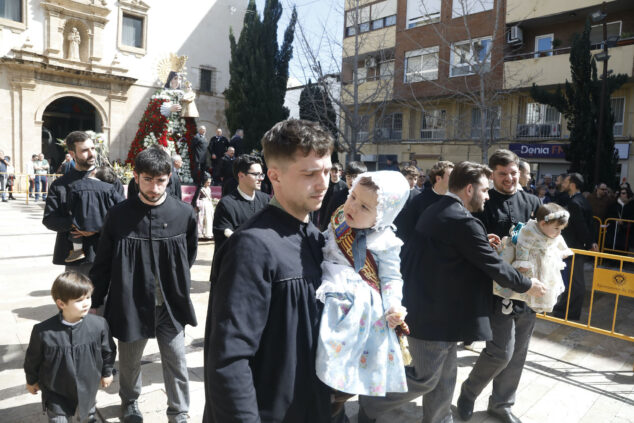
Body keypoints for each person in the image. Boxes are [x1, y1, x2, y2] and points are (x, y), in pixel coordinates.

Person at [358, 161, 545, 423]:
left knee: (445, 378)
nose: (488, 195)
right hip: (431, 313)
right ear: (470, 189)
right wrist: (528, 285)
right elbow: (493, 266)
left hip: (441, 311)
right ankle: (371, 401)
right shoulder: (460, 220)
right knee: (424, 378)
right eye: (485, 189)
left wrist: (481, 242)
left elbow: (458, 253)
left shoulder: (442, 209)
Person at [203, 119, 333, 423]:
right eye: (310, 173)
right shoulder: (252, 246)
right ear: (274, 175)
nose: (323, 183)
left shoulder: (316, 239)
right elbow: (229, 359)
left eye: (326, 171)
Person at [90, 147, 198, 423]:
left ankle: (179, 411)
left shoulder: (184, 214)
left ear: (169, 177)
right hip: (131, 302)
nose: (154, 186)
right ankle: (130, 403)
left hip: (170, 305)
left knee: (176, 359)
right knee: (129, 362)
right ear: (135, 177)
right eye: (148, 179)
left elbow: (189, 256)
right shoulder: (119, 215)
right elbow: (102, 262)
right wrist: (95, 301)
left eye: (160, 180)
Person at [316, 171, 411, 417]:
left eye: (365, 207)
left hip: (357, 302)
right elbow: (326, 243)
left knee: (347, 349)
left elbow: (391, 278)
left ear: (382, 215)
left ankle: (338, 392)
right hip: (326, 282)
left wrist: (394, 307)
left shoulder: (386, 241)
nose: (353, 207)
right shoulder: (339, 217)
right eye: (353, 197)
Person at [458, 149, 542, 423]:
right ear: (492, 174)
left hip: (529, 287)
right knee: (500, 351)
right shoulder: (481, 200)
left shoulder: (532, 201)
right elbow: (472, 239)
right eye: (503, 174)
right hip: (495, 288)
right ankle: (469, 392)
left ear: (520, 171)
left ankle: (502, 404)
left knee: (518, 353)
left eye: (513, 173)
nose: (509, 178)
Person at [24, 271, 116, 423]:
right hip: (56, 392)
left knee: (87, 417)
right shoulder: (43, 331)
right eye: (80, 300)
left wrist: (107, 372)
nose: (86, 303)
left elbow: (108, 351)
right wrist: (31, 380)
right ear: (61, 303)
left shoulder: (99, 325)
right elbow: (32, 359)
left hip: (88, 388)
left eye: (88, 297)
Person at [43, 131, 120, 276]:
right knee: (77, 298)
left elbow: (121, 215)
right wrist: (76, 224)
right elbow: (50, 220)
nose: (91, 154)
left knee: (107, 298)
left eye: (93, 148)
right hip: (76, 259)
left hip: (107, 253)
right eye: (84, 150)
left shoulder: (109, 180)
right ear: (72, 154)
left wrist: (97, 227)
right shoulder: (60, 185)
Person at [493, 203, 573, 313]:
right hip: (531, 264)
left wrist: (563, 250)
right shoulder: (530, 230)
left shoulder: (554, 233)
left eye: (561, 229)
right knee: (522, 285)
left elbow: (559, 239)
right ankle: (508, 301)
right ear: (543, 223)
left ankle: (540, 303)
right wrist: (522, 262)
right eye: (556, 228)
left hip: (546, 263)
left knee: (545, 284)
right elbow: (523, 246)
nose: (559, 232)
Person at [552, 173, 598, 321]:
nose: (563, 184)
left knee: (575, 281)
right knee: (571, 280)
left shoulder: (574, 203)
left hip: (574, 248)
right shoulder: (581, 200)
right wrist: (591, 241)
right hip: (576, 247)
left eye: (565, 181)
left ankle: (570, 312)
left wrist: (590, 242)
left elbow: (581, 226)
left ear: (572, 184)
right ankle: (562, 308)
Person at [210, 154, 269, 255]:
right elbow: (224, 242)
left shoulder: (266, 200)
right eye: (256, 174)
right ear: (241, 175)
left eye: (262, 174)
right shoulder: (226, 205)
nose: (261, 179)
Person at [65, 166, 124, 263]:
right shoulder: (109, 188)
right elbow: (121, 204)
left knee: (74, 234)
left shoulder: (76, 185)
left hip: (81, 224)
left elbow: (70, 205)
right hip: (102, 225)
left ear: (94, 172)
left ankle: (77, 251)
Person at [395, 160, 454, 245]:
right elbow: (408, 228)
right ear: (438, 178)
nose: (454, 180)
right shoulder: (420, 200)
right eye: (450, 176)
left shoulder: (454, 201)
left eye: (415, 179)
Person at [319, 161, 367, 232]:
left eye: (355, 176)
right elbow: (327, 222)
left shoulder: (369, 197)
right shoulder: (337, 197)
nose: (351, 180)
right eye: (349, 176)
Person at [317, 162, 347, 228]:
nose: (334, 174)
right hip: (324, 216)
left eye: (336, 172)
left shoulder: (344, 186)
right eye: (332, 171)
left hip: (338, 218)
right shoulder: (325, 184)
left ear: (340, 172)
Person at [605, 187, 633, 251]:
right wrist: (615, 220)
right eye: (622, 193)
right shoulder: (614, 205)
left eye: (625, 193)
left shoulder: (631, 205)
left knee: (624, 247)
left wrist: (626, 222)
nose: (623, 195)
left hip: (626, 231)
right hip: (614, 229)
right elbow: (608, 215)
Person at [196, 173, 215, 240]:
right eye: (207, 182)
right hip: (202, 206)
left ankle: (208, 234)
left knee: (209, 220)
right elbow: (197, 198)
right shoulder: (201, 189)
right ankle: (200, 234)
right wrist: (197, 205)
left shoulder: (209, 189)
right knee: (201, 220)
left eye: (210, 182)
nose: (209, 184)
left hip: (208, 206)